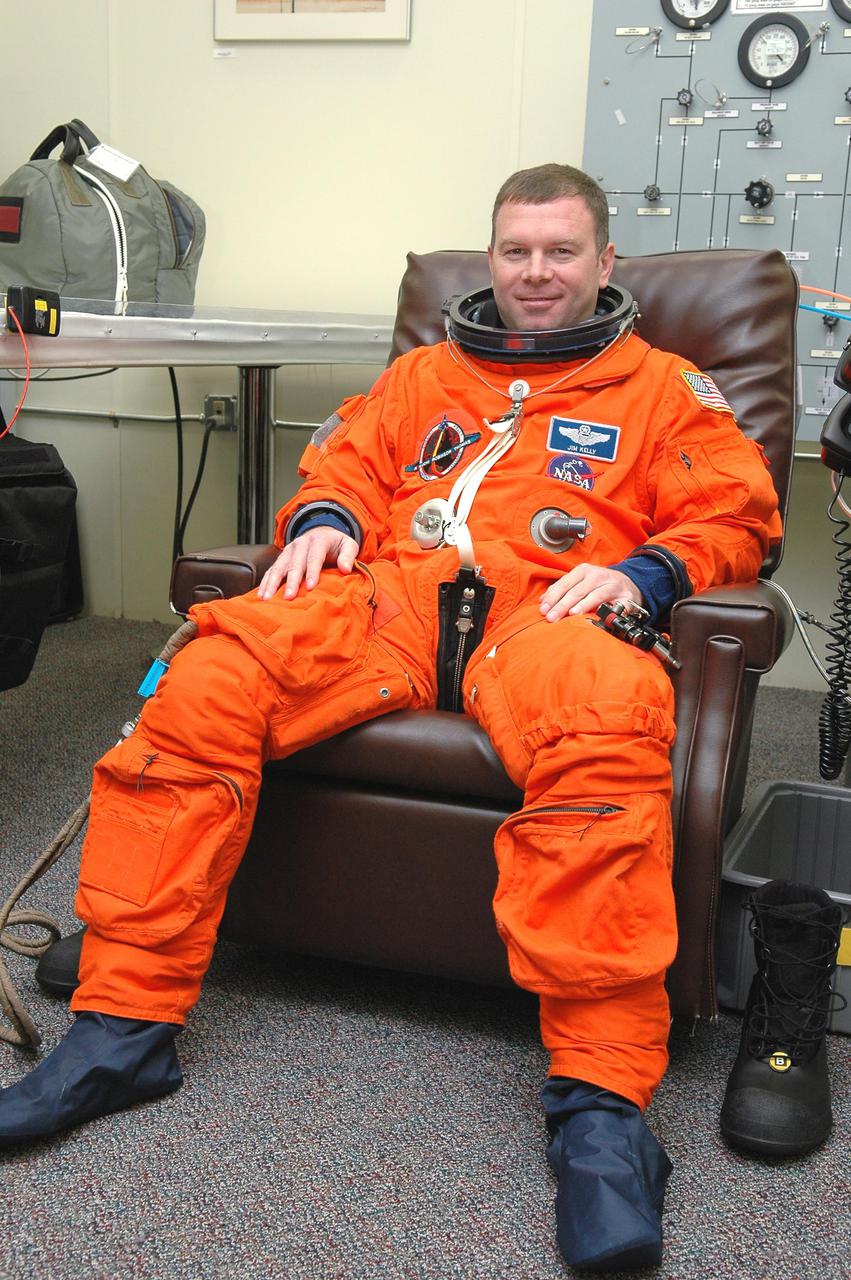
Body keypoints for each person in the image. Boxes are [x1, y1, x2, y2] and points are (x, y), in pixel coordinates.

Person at [0, 164, 781, 1272]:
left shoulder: (662, 389)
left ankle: (600, 1107)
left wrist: (649, 572)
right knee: (203, 683)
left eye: (561, 251)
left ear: (606, 262)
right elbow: (346, 463)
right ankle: (122, 1029)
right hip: (394, 602)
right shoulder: (423, 374)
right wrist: (319, 518)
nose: (536, 272)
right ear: (490, 258)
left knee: (608, 727)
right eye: (516, 251)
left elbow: (734, 507)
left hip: (546, 613)